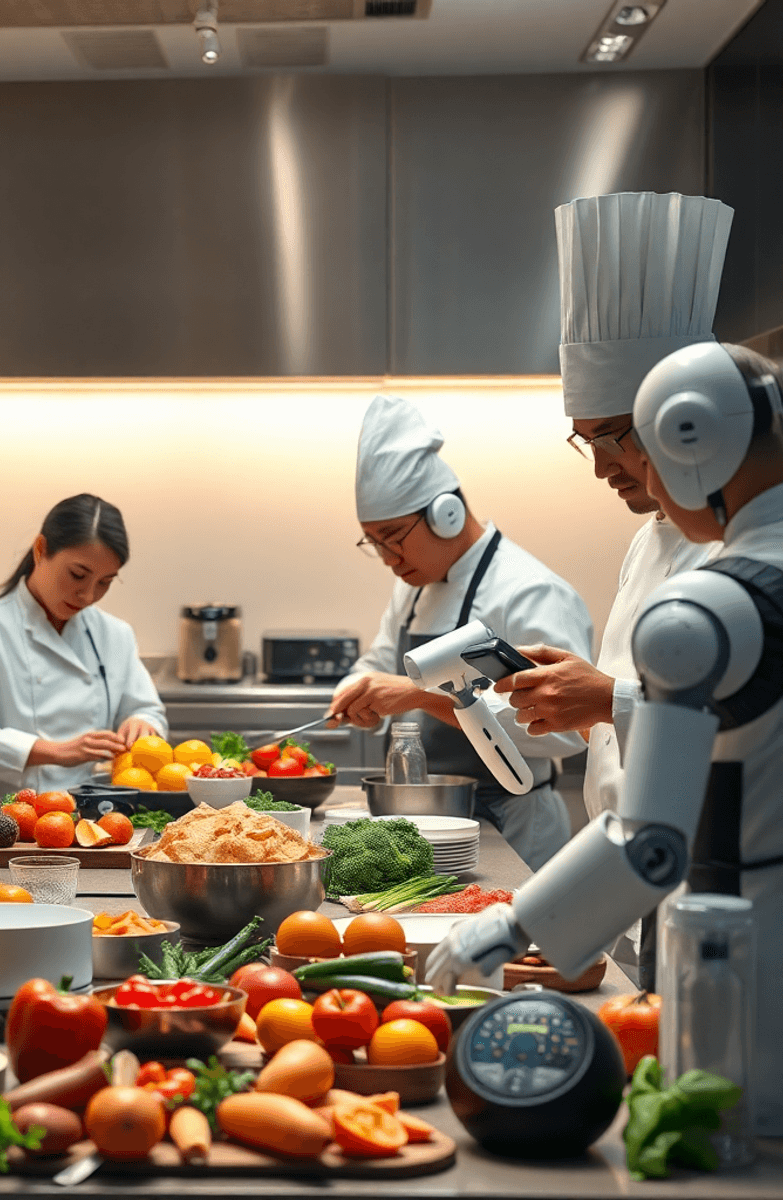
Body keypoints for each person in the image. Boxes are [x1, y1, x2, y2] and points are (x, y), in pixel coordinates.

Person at [429, 340, 783, 1135]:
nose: (634, 476)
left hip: (745, 940)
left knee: (731, 1138)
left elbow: (650, 844)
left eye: (639, 447)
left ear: (695, 442)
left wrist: (508, 927)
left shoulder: (707, 610)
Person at [492, 192, 729, 821]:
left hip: (708, 878)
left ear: (685, 420)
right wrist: (586, 687)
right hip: (628, 873)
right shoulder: (650, 539)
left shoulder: (756, 546)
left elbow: (757, 724)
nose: (600, 467)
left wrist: (611, 699)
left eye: (612, 437)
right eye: (585, 441)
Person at [329, 395, 593, 870]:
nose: (388, 557)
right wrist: (359, 691)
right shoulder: (413, 587)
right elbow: (380, 660)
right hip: (426, 825)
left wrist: (419, 695)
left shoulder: (529, 592)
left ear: (445, 513)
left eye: (393, 537)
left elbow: (565, 731)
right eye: (374, 542)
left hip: (512, 825)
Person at [0, 494, 167, 794]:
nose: (87, 595)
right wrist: (56, 752)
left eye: (105, 582)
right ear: (40, 550)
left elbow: (148, 710)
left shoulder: (115, 634)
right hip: (9, 814)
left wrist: (142, 724)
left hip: (99, 807)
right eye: (78, 575)